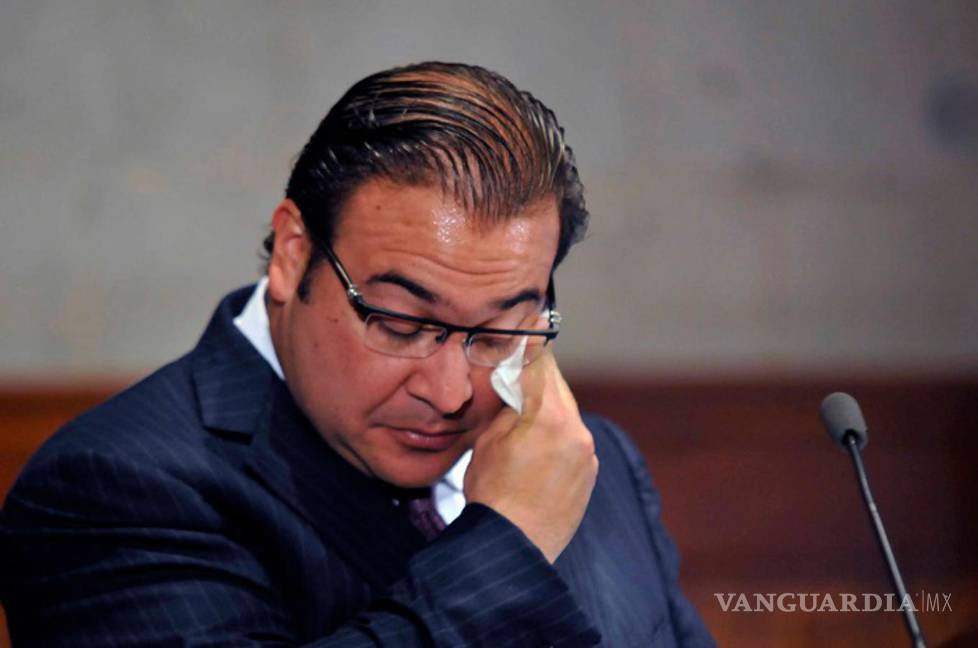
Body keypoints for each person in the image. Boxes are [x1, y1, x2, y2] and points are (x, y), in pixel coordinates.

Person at [1, 62, 714, 647]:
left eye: (499, 332)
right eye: (402, 324)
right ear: (293, 254)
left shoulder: (593, 464)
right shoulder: (111, 490)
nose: (450, 393)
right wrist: (508, 544)